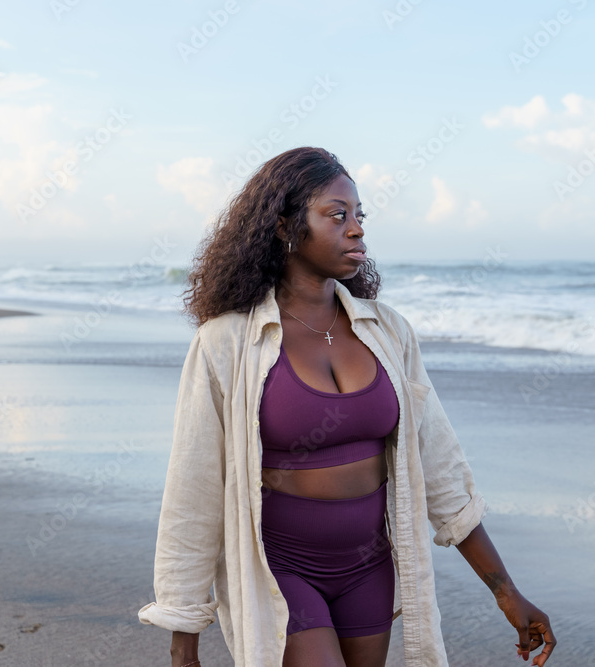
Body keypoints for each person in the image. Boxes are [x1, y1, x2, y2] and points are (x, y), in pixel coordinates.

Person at [138, 147, 556, 666]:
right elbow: (193, 487)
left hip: (368, 568)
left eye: (359, 215)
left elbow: (441, 465)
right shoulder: (227, 343)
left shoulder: (387, 332)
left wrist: (505, 591)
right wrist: (183, 638)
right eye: (337, 215)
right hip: (281, 570)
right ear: (285, 225)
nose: (356, 229)